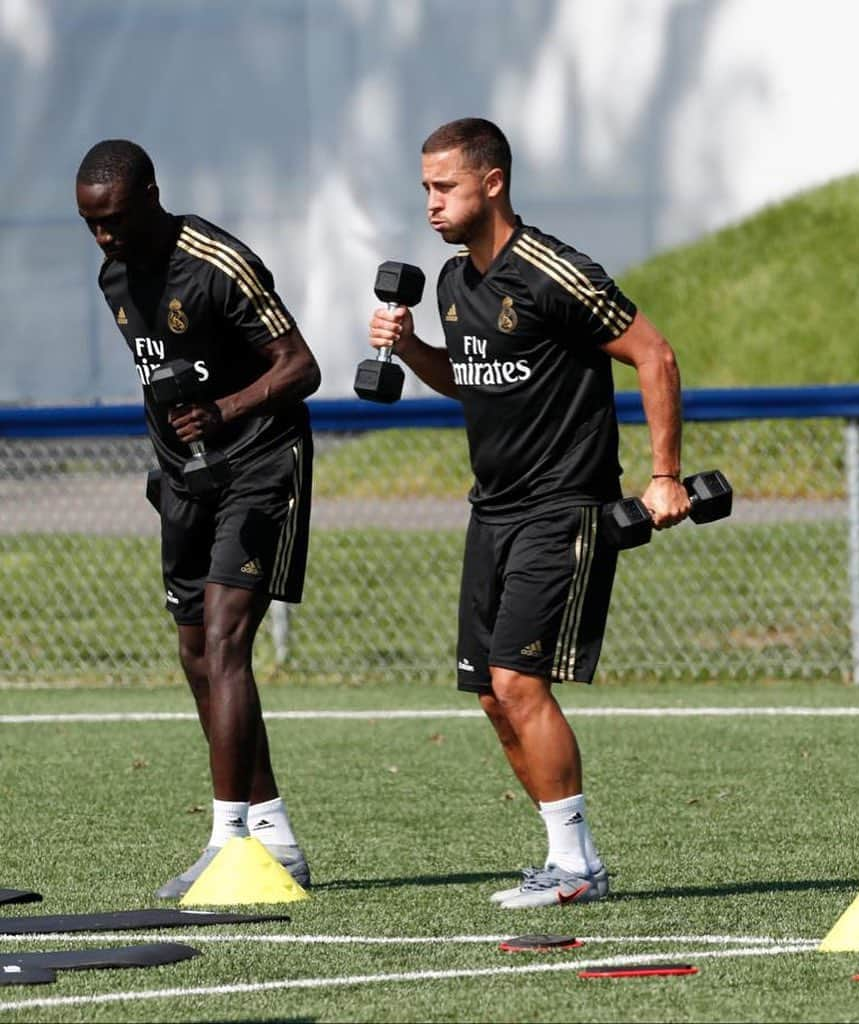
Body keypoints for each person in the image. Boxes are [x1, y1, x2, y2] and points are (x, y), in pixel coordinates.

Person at [368, 118, 691, 908]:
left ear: (493, 182)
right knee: (489, 691)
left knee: (518, 682)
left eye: (444, 186)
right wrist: (411, 351)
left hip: (564, 506)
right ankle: (566, 860)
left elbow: (657, 354)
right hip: (493, 512)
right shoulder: (451, 283)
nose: (431, 203)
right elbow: (472, 378)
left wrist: (665, 477)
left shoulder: (554, 271)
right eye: (425, 189)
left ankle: (577, 870)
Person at [76, 140, 321, 898]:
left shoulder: (219, 262)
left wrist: (226, 409)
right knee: (192, 650)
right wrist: (170, 469)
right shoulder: (112, 275)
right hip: (185, 478)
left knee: (224, 639)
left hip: (259, 460)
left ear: (151, 193)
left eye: (114, 220)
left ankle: (227, 841)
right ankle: (273, 832)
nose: (104, 238)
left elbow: (302, 367)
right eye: (90, 224)